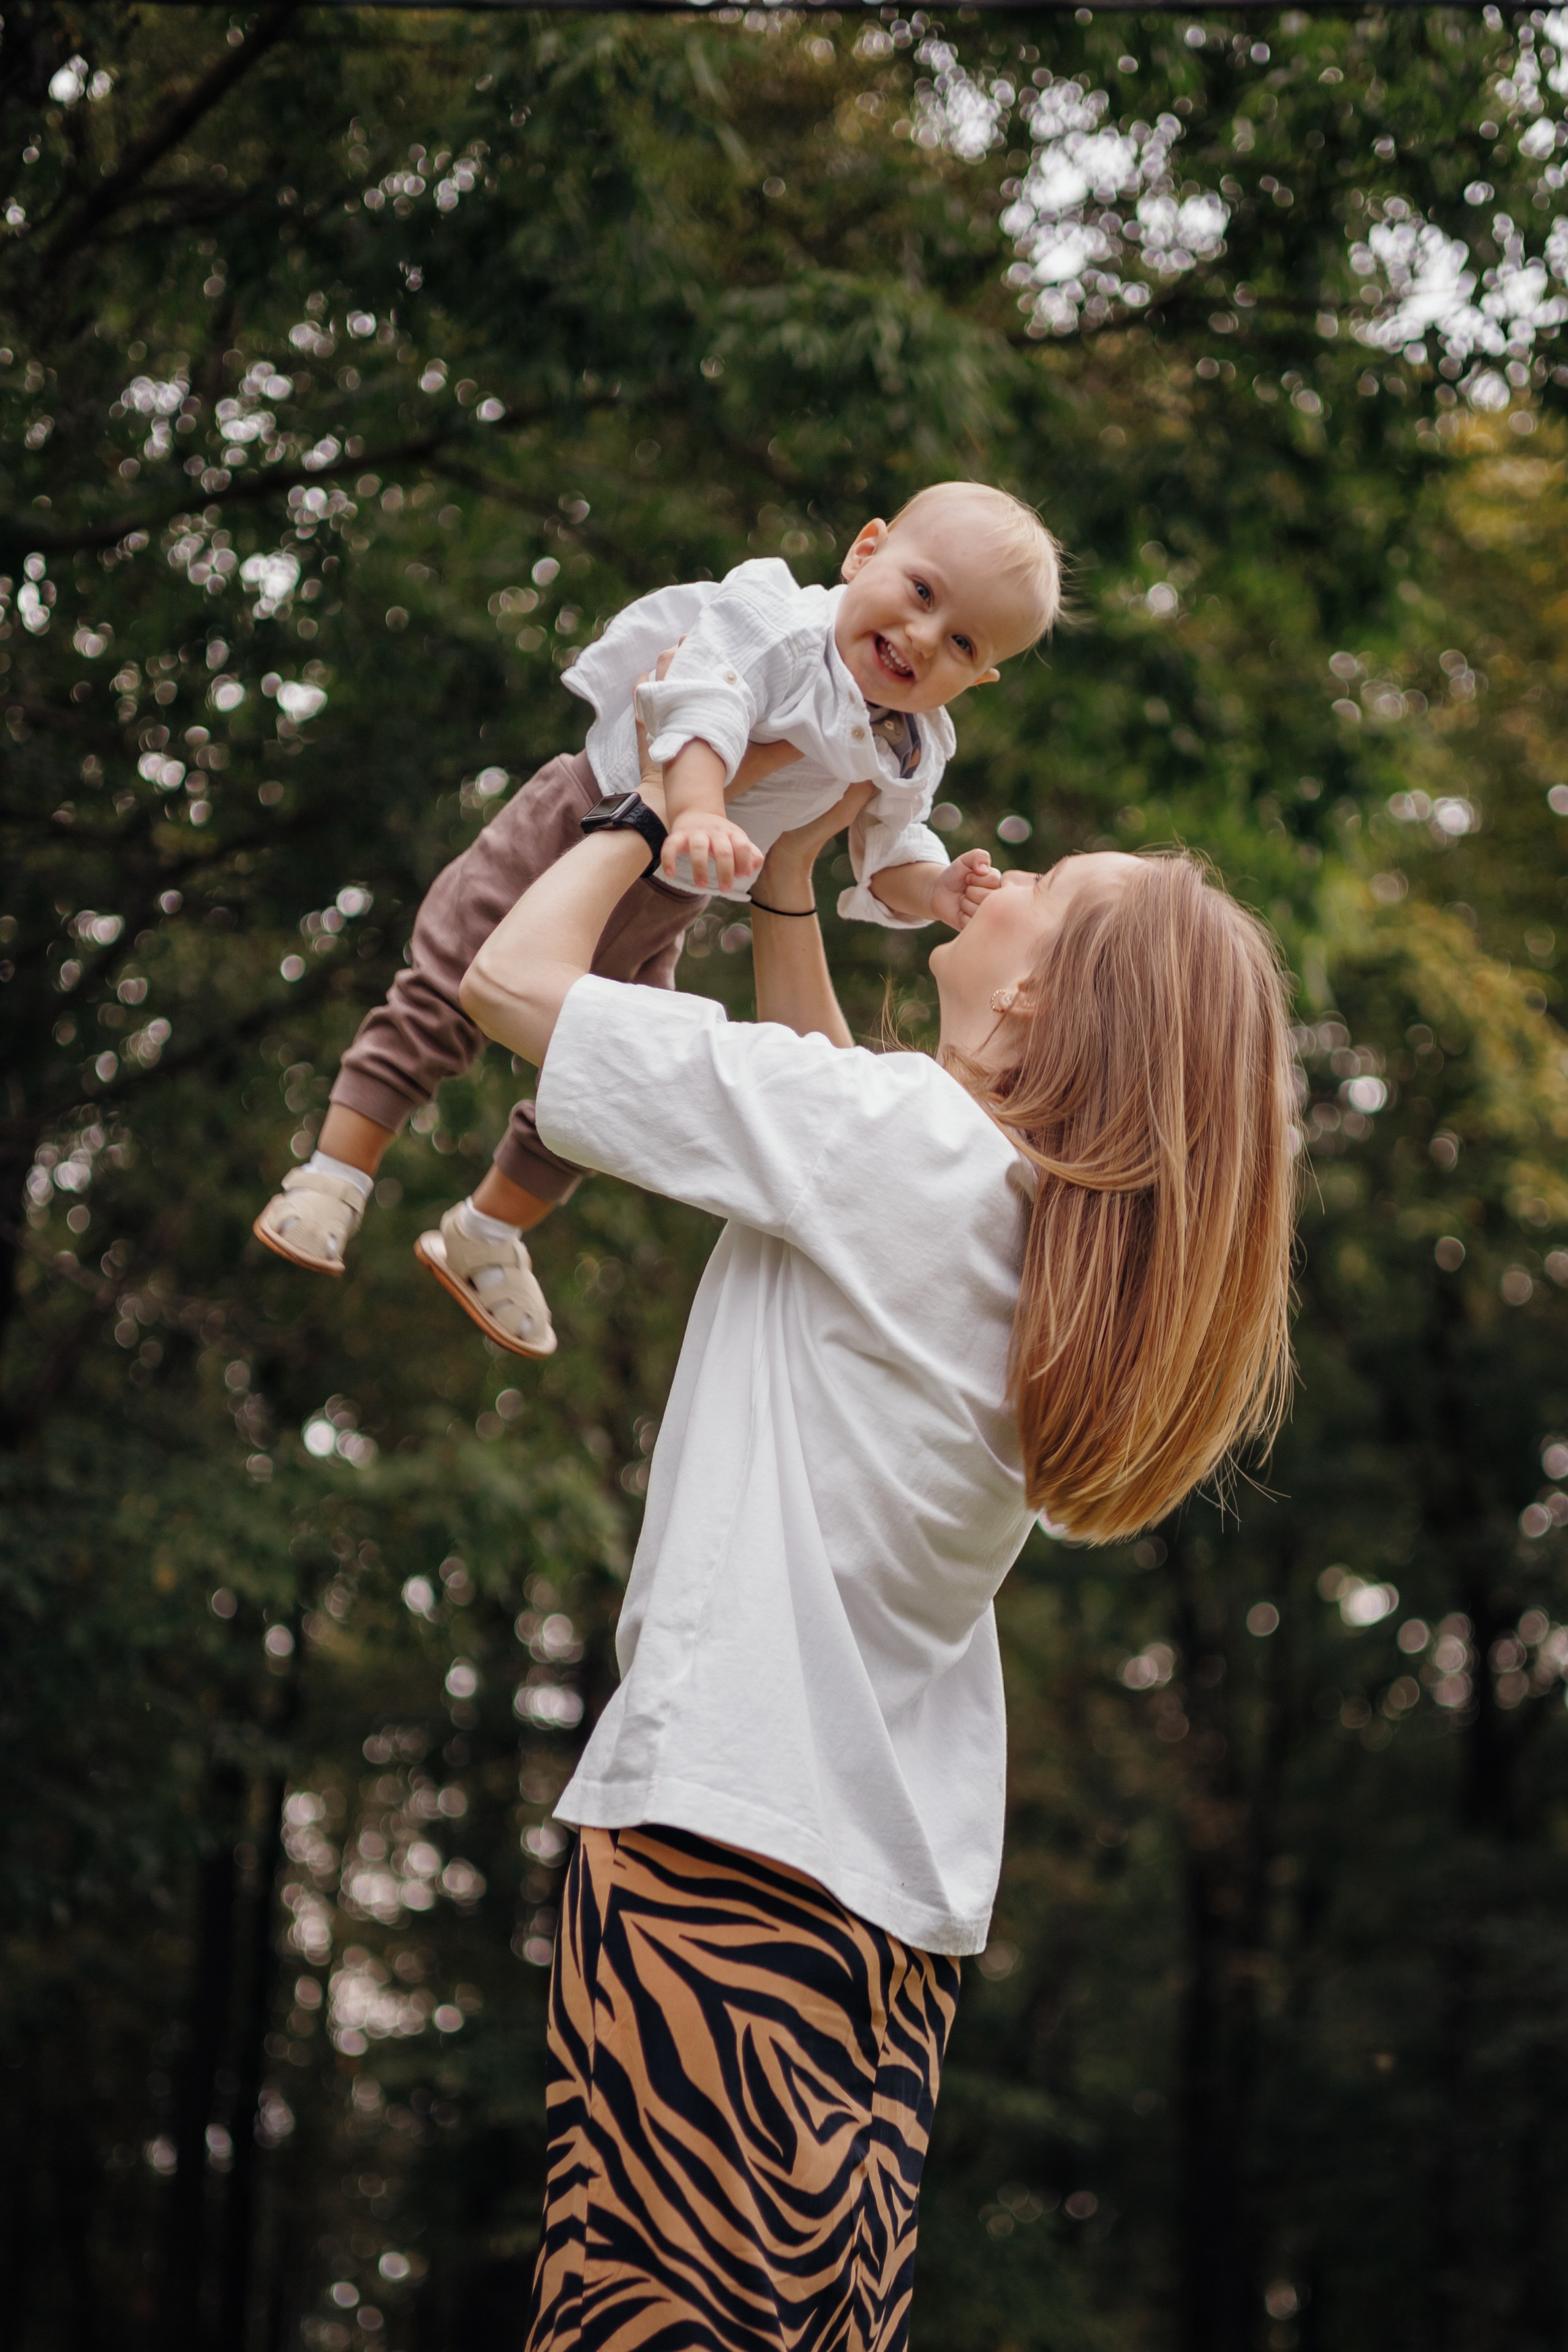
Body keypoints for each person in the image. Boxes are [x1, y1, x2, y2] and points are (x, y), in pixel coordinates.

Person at [455, 760, 1298, 2349]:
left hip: (726, 1862)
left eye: (1039, 885)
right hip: (879, 1929)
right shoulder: (1023, 1226)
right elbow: (830, 1117)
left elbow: (512, 982)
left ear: (1048, 999)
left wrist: (649, 809)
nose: (995, 872)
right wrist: (789, 879)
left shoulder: (906, 1157)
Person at [251, 483, 1061, 1359]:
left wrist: (934, 889)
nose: (924, 638)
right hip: (583, 819)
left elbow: (889, 845)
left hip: (670, 893)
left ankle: (485, 1232)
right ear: (865, 554)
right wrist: (701, 810)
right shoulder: (778, 624)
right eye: (923, 593)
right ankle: (333, 1175)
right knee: (446, 991)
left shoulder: (913, 742)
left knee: (613, 1076)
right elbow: (699, 704)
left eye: (963, 643)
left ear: (979, 679)